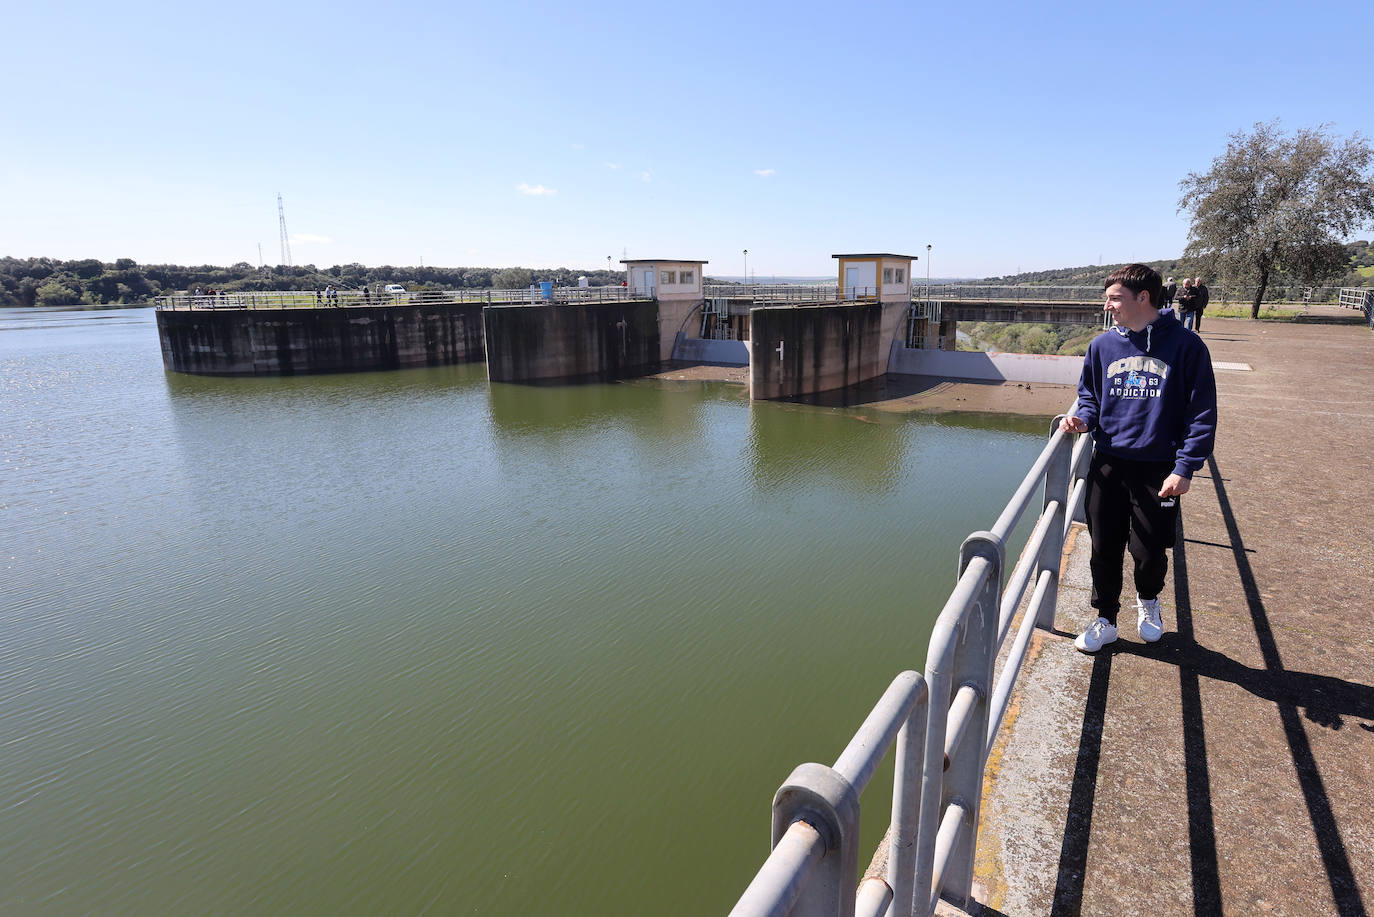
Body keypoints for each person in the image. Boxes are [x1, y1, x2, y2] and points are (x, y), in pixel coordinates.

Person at [1059, 264, 1217, 653]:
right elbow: (1091, 395)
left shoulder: (1186, 347)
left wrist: (1186, 468)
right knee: (1103, 547)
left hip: (1158, 468)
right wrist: (1083, 419)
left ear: (1142, 297)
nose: (1108, 306)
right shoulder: (1102, 346)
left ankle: (1148, 602)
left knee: (1149, 551)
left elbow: (1202, 412)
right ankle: (1106, 618)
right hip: (1109, 462)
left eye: (1114, 299)